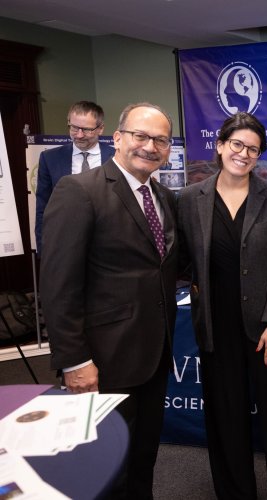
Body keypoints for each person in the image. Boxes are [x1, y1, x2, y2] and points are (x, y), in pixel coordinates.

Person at [41, 102, 178, 499]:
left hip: (153, 354)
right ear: (117, 138)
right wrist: (74, 360)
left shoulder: (163, 197)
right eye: (141, 136)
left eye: (160, 140)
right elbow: (58, 284)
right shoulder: (79, 191)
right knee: (105, 466)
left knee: (142, 457)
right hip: (103, 361)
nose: (150, 146)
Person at [177, 112, 267, 499]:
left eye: (253, 148)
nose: (244, 154)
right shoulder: (188, 198)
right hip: (217, 326)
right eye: (237, 144)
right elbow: (183, 259)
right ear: (219, 145)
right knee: (226, 420)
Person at [35, 100, 115, 252]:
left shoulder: (117, 157)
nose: (79, 135)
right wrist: (43, 247)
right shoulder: (50, 158)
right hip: (65, 243)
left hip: (109, 243)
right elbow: (43, 207)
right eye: (74, 128)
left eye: (86, 130)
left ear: (100, 129)